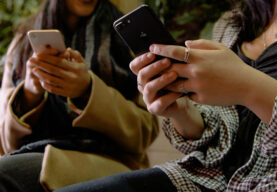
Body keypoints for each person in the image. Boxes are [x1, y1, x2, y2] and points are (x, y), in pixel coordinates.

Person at [53, 0, 277, 191]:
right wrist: (182, 112)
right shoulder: (233, 23)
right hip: (207, 179)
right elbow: (217, 143)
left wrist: (248, 87)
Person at [0, 0, 159, 191]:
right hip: (31, 153)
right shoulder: (23, 40)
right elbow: (5, 143)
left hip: (108, 163)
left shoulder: (128, 35)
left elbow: (145, 132)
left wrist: (87, 90)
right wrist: (29, 94)